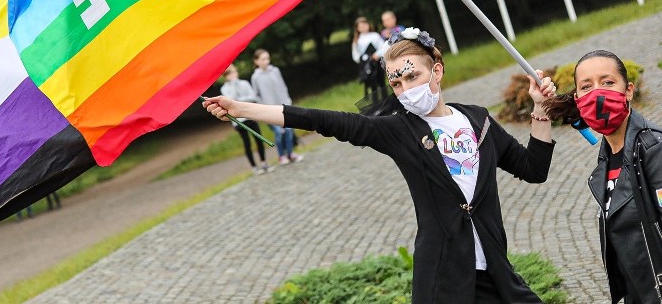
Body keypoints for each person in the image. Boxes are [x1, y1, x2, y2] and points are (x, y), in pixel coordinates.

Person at [205, 28, 556, 303]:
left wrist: (540, 107)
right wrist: (243, 109)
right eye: (396, 82)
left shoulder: (477, 120)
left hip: (495, 270)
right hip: (443, 280)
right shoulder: (398, 130)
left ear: (437, 70)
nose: (404, 90)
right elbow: (327, 120)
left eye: (412, 77)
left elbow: (533, 169)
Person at [543, 50, 659, 304]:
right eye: (587, 87)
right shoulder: (606, 162)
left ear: (628, 90)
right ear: (578, 99)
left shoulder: (654, 150)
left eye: (607, 82)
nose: (597, 93)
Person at [250, 48, 303, 165]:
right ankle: (281, 156)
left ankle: (290, 154)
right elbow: (256, 95)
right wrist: (262, 109)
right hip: (269, 110)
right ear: (256, 61)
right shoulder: (255, 77)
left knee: (289, 130)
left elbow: (283, 87)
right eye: (263, 59)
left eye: (267, 58)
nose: (266, 61)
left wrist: (288, 101)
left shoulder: (275, 71)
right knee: (279, 132)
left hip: (284, 107)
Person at [221, 63, 273, 175]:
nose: (234, 75)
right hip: (238, 121)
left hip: (250, 116)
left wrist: (240, 100)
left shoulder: (244, 83)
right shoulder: (225, 89)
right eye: (231, 73)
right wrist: (233, 86)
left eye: (235, 72)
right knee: (247, 143)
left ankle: (264, 163)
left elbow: (252, 96)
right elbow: (231, 101)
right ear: (226, 76)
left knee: (259, 139)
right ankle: (254, 167)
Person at [352, 16, 387, 101]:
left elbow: (383, 47)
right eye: (360, 26)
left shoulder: (375, 35)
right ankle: (375, 103)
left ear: (368, 25)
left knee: (381, 81)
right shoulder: (357, 40)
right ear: (357, 28)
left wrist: (377, 55)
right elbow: (355, 54)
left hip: (377, 63)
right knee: (371, 84)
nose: (363, 27)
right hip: (367, 66)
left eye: (364, 25)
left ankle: (386, 100)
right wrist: (363, 60)